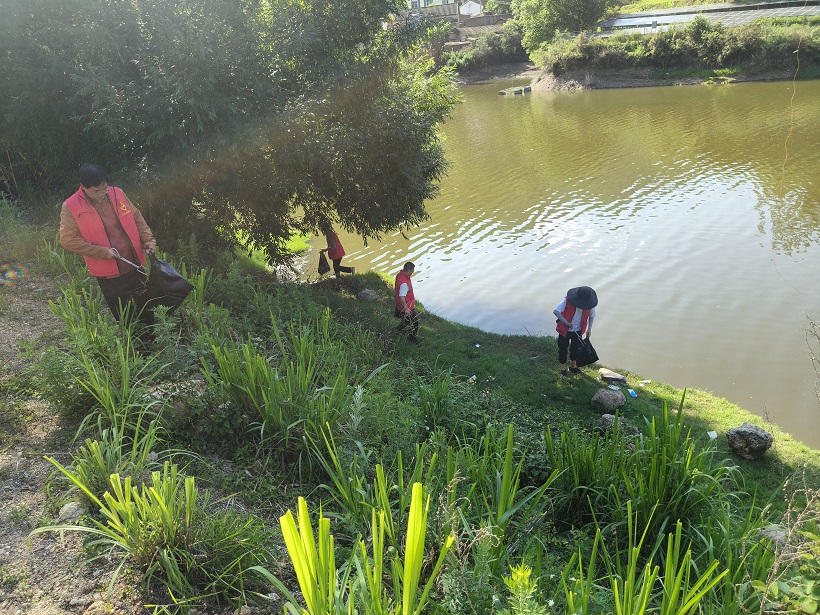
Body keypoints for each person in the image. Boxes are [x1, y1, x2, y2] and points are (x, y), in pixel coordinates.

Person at [59, 163, 157, 328]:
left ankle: (151, 339)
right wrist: (101, 252)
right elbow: (67, 240)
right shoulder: (71, 206)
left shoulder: (117, 193)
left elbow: (136, 217)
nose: (102, 194)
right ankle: (131, 343)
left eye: (104, 189)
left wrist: (148, 240)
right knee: (124, 317)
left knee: (147, 310)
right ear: (83, 187)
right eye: (96, 191)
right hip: (108, 273)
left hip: (134, 264)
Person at [553, 286, 597, 378]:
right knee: (562, 349)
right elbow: (556, 311)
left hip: (578, 331)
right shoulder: (567, 300)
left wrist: (589, 328)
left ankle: (573, 367)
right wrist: (566, 323)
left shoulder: (589, 304)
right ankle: (563, 369)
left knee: (575, 349)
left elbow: (592, 316)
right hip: (565, 330)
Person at [394, 261, 419, 344]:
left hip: (401, 305)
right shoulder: (404, 283)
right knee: (415, 323)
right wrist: (406, 309)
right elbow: (401, 296)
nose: (412, 273)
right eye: (412, 271)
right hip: (407, 307)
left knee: (407, 320)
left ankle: (397, 330)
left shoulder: (400, 275)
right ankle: (412, 340)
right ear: (409, 270)